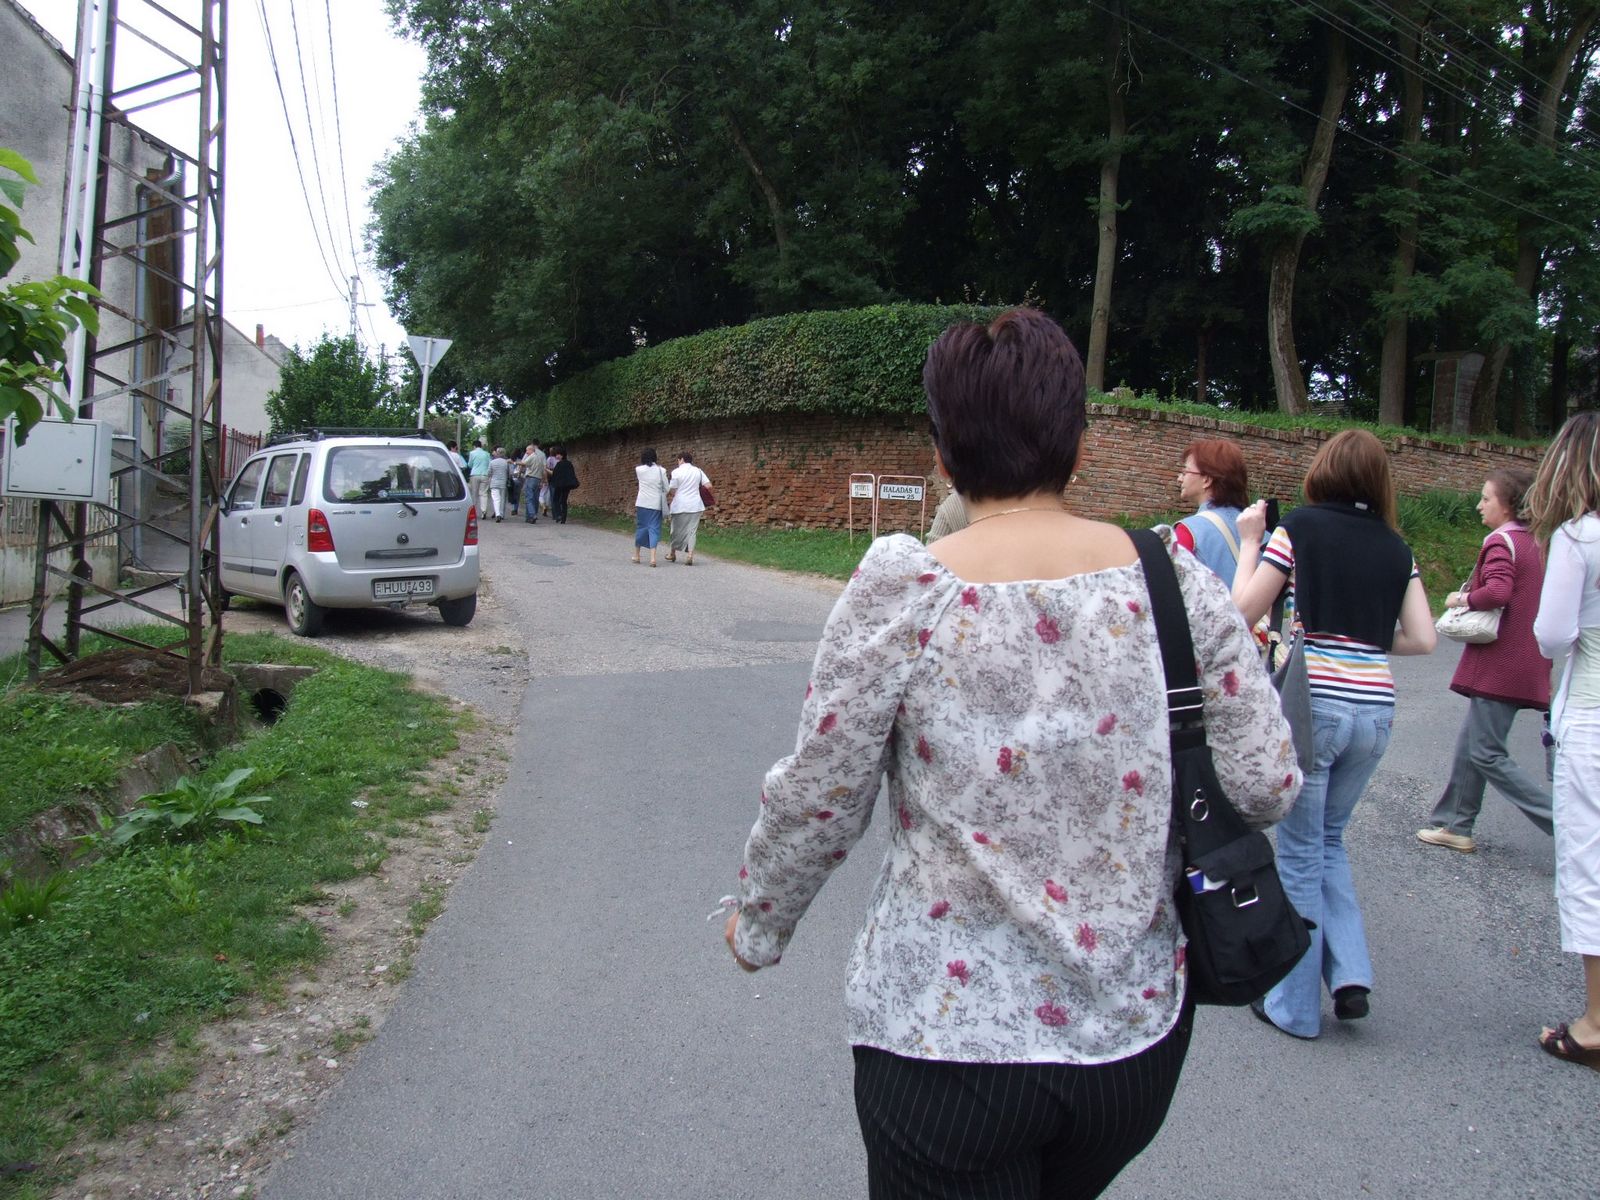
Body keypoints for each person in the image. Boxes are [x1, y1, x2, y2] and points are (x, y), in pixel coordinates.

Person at [724, 308, 1299, 1199]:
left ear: (942, 454)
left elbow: (823, 795)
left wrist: (761, 922)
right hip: (1128, 1044)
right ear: (1080, 444)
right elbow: (1265, 784)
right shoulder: (1172, 581)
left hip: (944, 1045)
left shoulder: (906, 586)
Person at [1232, 429, 1437, 1039]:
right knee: (1329, 840)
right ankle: (1349, 974)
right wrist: (1363, 638)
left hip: (1314, 702)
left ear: (1323, 471)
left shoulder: (1299, 528)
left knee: (1300, 852)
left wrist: (1250, 542)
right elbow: (1424, 638)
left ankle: (1293, 1006)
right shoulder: (1397, 548)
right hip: (1376, 709)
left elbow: (1242, 611)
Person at [1418, 468, 1552, 853]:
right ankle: (1455, 824)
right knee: (1472, 742)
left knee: (1486, 752)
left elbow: (1497, 592)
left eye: (1486, 498)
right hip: (1527, 660)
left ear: (1507, 505)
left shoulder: (1501, 541)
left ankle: (1570, 825)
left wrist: (1459, 599)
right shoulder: (1537, 542)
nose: (1479, 505)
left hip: (1501, 663)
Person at [1528, 412, 1600, 1070]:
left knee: (1588, 862)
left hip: (1592, 717)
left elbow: (1552, 636)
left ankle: (1595, 1021)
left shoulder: (1579, 537)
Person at [1173, 438, 1249, 582]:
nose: (1179, 478)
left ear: (1207, 480)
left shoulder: (1189, 531)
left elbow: (1174, 584)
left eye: (1185, 471)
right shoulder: (1264, 534)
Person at [665, 451, 710, 564]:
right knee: (692, 531)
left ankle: (672, 553)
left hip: (679, 505)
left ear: (682, 460)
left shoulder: (676, 472)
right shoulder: (698, 471)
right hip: (695, 505)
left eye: (678, 460)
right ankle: (690, 555)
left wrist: (676, 494)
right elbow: (708, 485)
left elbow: (672, 489)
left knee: (675, 530)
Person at [632, 447, 670, 566]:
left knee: (641, 528)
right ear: (655, 457)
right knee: (654, 529)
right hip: (655, 504)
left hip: (642, 503)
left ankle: (637, 555)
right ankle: (653, 558)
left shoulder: (639, 470)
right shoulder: (661, 471)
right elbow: (667, 488)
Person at [547, 446, 578, 524]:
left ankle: (559, 514)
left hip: (559, 485)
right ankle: (563, 518)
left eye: (558, 454)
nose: (557, 456)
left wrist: (546, 469)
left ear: (562, 455)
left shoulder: (559, 464)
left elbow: (554, 474)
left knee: (555, 499)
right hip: (567, 485)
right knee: (563, 500)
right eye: (556, 454)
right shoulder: (569, 464)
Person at [520, 441, 547, 523]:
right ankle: (529, 517)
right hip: (538, 479)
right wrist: (543, 480)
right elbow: (544, 469)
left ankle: (532, 515)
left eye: (527, 450)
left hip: (530, 478)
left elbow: (523, 463)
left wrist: (513, 462)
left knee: (529, 498)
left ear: (531, 450)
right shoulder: (541, 457)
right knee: (535, 498)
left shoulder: (531, 456)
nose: (526, 452)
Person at [466, 439, 492, 519]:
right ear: (481, 446)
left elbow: (469, 464)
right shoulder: (487, 454)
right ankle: (483, 511)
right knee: (483, 493)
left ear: (474, 446)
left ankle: (473, 511)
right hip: (485, 474)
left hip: (474, 474)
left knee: (474, 493)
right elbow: (490, 464)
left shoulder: (472, 453)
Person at [486, 447, 511, 523]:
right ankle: (502, 514)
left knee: (496, 499)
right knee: (502, 499)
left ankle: (497, 514)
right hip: (503, 482)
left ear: (497, 453)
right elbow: (508, 473)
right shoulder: (506, 462)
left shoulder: (492, 462)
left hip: (494, 483)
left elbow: (488, 473)